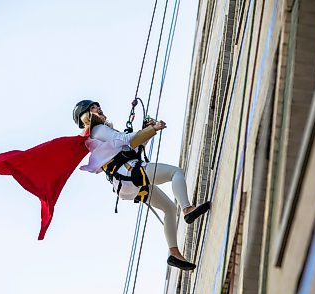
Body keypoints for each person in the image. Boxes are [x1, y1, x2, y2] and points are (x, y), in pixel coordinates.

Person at [73, 100, 211, 271]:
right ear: (86, 116)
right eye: (93, 108)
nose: (99, 108)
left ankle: (173, 253)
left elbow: (133, 146)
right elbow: (125, 139)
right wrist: (153, 128)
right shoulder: (98, 129)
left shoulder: (96, 138)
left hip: (126, 181)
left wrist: (148, 130)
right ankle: (187, 209)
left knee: (168, 208)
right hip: (130, 172)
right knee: (176, 173)